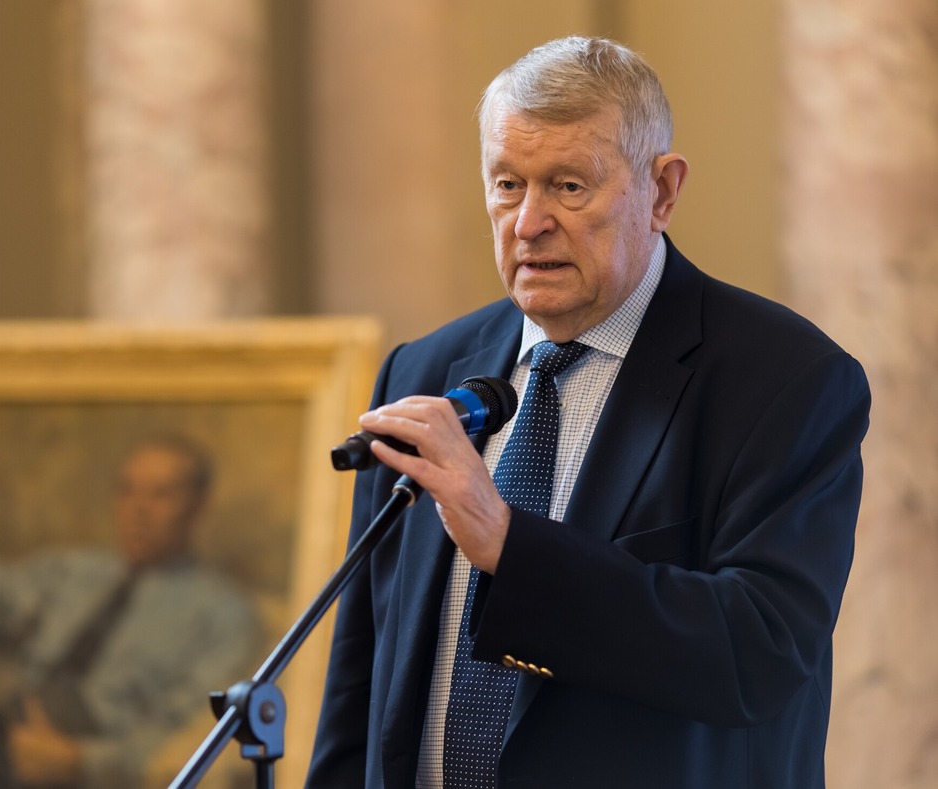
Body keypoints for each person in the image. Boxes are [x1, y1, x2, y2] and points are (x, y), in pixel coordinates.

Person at [306, 35, 870, 789]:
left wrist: (510, 545)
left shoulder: (786, 380)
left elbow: (760, 653)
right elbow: (361, 680)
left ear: (661, 192)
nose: (528, 222)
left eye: (568, 186)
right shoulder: (423, 371)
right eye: (507, 184)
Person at [0, 435, 261, 789]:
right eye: (127, 491)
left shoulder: (222, 616)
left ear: (198, 509)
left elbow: (192, 733)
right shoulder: (73, 571)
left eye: (161, 495)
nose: (138, 510)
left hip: (89, 761)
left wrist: (82, 762)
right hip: (4, 719)